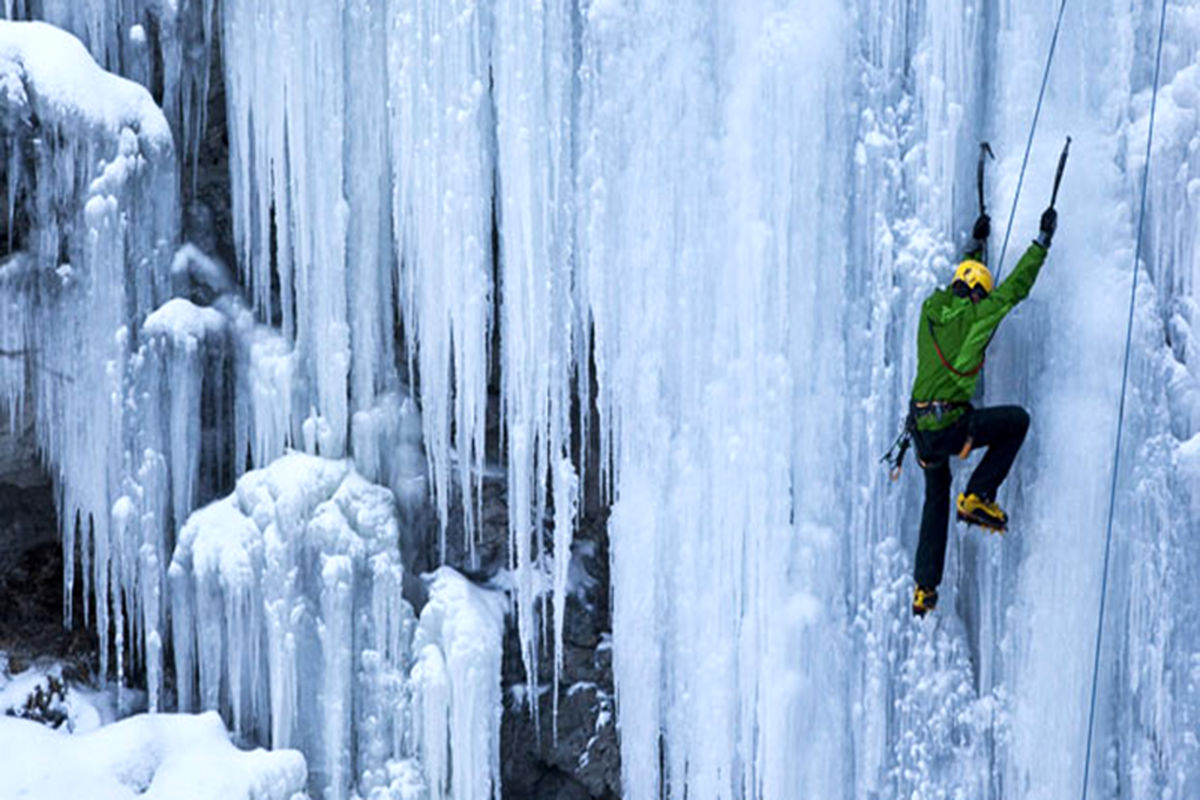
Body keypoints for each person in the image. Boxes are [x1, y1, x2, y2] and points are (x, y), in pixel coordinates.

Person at [909, 207, 1057, 616]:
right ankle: (978, 493)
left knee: (935, 501)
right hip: (951, 423)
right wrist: (1041, 244)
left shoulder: (929, 311)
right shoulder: (980, 313)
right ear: (977, 295)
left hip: (921, 431)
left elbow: (959, 286)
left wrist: (974, 247)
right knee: (1016, 423)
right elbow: (1012, 291)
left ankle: (925, 589)